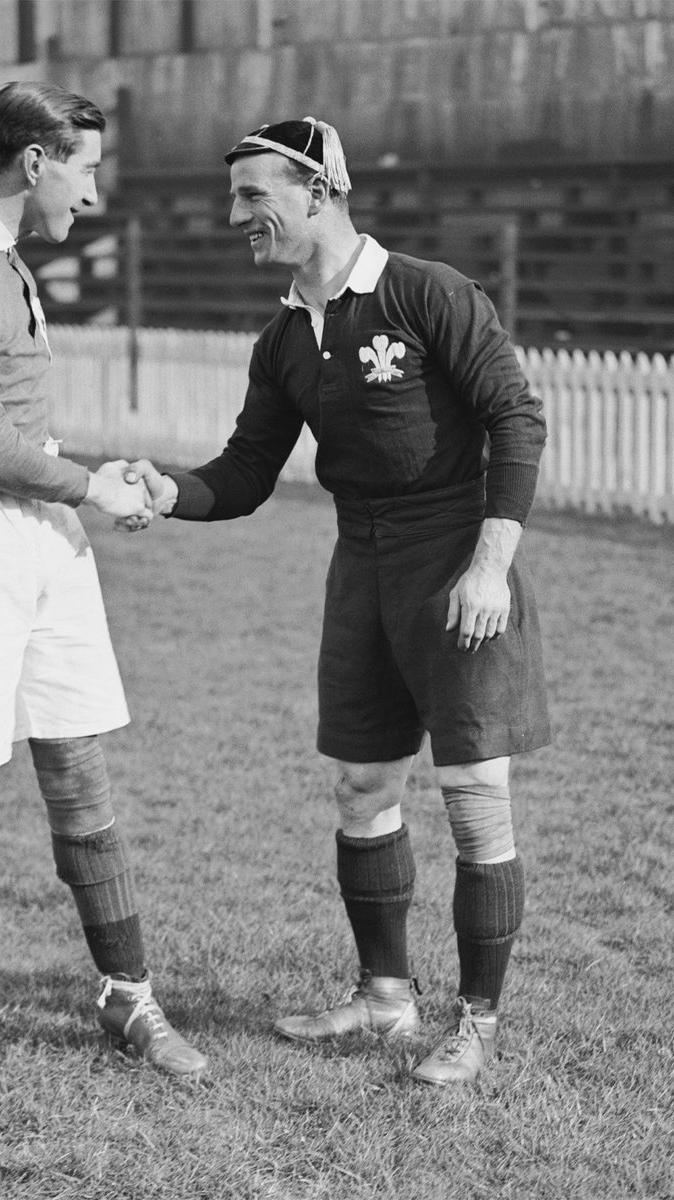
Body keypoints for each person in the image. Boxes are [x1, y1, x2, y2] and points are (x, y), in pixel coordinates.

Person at [123, 117, 550, 1086]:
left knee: (475, 796)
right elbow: (245, 471)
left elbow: (515, 417)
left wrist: (490, 566)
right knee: (363, 788)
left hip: (457, 562)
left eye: (253, 195)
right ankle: (385, 997)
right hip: (361, 568)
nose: (237, 215)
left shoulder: (428, 293)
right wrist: (167, 492)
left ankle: (476, 1021)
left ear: (318, 191)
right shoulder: (283, 339)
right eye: (235, 197)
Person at [0, 81, 206, 1086]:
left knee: (76, 764)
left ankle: (127, 996)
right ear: (34, 162)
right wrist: (96, 487)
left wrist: (87, 482)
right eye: (85, 170)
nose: (93, 193)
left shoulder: (6, 257)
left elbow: (18, 435)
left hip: (35, 521)